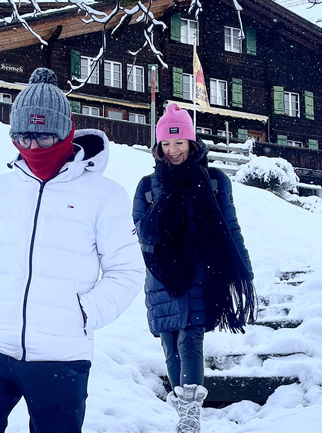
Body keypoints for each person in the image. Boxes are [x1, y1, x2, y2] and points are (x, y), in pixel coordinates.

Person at [0, 67, 144, 433]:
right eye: (22, 138)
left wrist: (84, 313)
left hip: (61, 354)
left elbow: (127, 270)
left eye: (43, 138)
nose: (31, 148)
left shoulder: (104, 196)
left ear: (65, 131)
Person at [132, 103, 256, 433]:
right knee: (169, 343)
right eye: (167, 144)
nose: (173, 151)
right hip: (162, 276)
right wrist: (163, 204)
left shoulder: (214, 181)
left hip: (202, 273)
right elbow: (142, 235)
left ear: (191, 143)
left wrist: (244, 269)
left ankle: (190, 415)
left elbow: (230, 225)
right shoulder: (147, 186)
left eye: (179, 143)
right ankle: (183, 407)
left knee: (190, 341)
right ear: (158, 147)